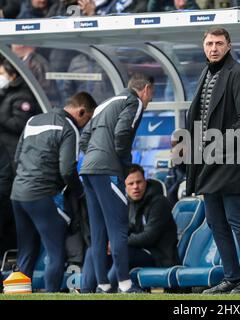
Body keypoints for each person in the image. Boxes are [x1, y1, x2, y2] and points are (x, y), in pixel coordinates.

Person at [186, 28, 240, 294]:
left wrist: (220, 145)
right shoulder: (205, 74)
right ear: (203, 46)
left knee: (236, 218)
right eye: (209, 43)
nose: (214, 48)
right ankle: (232, 277)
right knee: (216, 221)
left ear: (229, 46)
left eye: (219, 43)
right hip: (206, 160)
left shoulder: (239, 74)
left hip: (230, 159)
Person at [10, 92, 96, 293]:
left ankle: (18, 295)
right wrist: (80, 192)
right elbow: (67, 169)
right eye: (87, 120)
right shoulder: (69, 128)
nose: (85, 126)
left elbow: (17, 157)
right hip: (42, 195)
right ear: (81, 111)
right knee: (56, 252)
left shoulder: (33, 120)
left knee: (26, 251)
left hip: (18, 193)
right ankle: (50, 296)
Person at [80, 73, 154, 294]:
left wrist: (94, 156)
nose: (149, 101)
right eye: (150, 96)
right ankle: (124, 285)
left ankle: (102, 285)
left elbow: (84, 138)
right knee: (118, 228)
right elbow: (123, 133)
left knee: (98, 230)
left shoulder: (105, 104)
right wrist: (124, 166)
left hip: (88, 170)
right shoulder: (134, 102)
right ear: (147, 89)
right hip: (108, 170)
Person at [82, 164, 179, 292]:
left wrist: (117, 243)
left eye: (139, 182)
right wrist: (107, 243)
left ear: (145, 181)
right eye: (131, 184)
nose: (135, 187)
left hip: (157, 256)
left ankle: (107, 292)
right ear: (124, 186)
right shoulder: (126, 203)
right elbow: (124, 229)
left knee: (122, 251)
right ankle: (86, 293)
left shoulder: (159, 202)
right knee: (94, 250)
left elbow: (149, 237)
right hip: (134, 251)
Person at [0, 59, 39, 167]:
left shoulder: (22, 95)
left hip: (12, 150)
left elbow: (20, 124)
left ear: (12, 75)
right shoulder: (5, 91)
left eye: (2, 74)